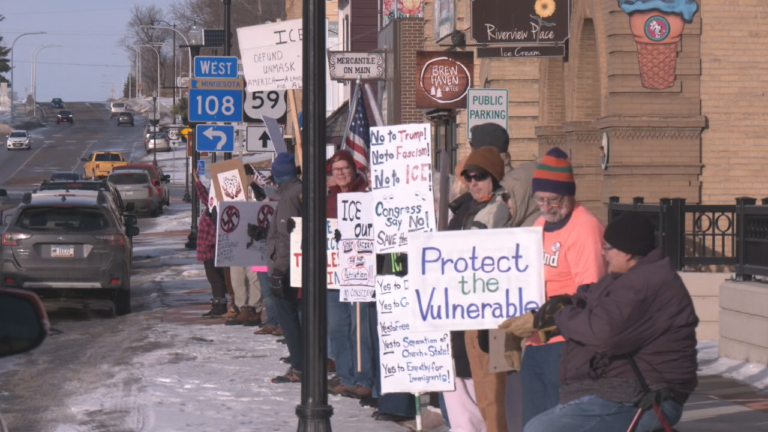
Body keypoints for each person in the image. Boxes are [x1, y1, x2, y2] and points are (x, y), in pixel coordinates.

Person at [523, 212, 699, 432]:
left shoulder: (643, 285)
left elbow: (602, 332)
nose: (603, 253)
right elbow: (590, 298)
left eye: (607, 248)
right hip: (624, 390)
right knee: (536, 425)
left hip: (647, 397)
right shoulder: (629, 277)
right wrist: (562, 304)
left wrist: (562, 316)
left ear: (626, 253)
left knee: (540, 430)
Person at [499, 147, 606, 427]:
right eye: (540, 200)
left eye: (553, 200)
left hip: (568, 345)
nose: (546, 207)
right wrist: (513, 328)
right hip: (536, 342)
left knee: (559, 424)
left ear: (569, 194)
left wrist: (540, 320)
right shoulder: (540, 224)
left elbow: (589, 295)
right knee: (533, 422)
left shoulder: (585, 229)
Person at [442, 145, 510, 432]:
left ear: (493, 177)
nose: (473, 183)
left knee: (491, 391)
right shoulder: (469, 207)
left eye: (479, 176)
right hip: (465, 310)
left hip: (488, 315)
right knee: (468, 387)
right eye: (468, 177)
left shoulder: (496, 209)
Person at [325, 150, 374, 399]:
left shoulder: (366, 195)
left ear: (354, 169)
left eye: (345, 168)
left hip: (359, 273)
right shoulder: (328, 199)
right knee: (336, 327)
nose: (341, 173)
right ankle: (345, 377)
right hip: (333, 274)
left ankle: (363, 379)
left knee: (359, 328)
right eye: (336, 170)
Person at [267, 152, 304, 384]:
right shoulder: (297, 191)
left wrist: (279, 270)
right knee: (296, 315)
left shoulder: (290, 196)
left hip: (288, 265)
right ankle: (300, 359)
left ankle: (299, 366)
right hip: (296, 262)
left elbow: (286, 236)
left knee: (288, 316)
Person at [225, 164, 264, 327]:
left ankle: (254, 309)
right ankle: (242, 309)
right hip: (237, 239)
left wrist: (253, 189)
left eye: (246, 176)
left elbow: (263, 204)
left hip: (255, 240)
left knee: (254, 277)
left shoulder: (257, 189)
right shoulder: (230, 191)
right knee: (237, 277)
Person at [193, 167, 228, 317]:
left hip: (211, 251)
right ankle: (219, 304)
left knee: (216, 279)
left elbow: (217, 233)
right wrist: (196, 180)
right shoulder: (211, 206)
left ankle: (220, 305)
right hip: (207, 251)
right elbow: (203, 196)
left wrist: (209, 245)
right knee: (214, 279)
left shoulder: (218, 210)